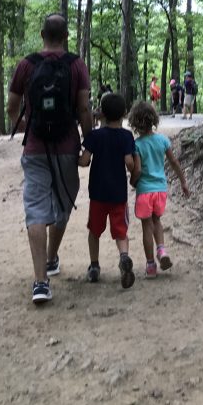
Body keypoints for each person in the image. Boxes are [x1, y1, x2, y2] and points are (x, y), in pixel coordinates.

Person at [7, 13, 92, 306]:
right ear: (66, 36)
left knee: (35, 210)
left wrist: (27, 129)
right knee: (63, 203)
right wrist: (87, 145)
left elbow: (12, 108)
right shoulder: (76, 65)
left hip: (35, 149)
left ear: (42, 34)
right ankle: (53, 256)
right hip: (67, 146)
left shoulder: (26, 65)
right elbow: (83, 109)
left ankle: (40, 282)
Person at [79, 92, 140, 289]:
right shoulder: (126, 136)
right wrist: (132, 170)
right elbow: (130, 163)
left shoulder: (95, 136)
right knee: (120, 231)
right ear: (124, 113)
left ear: (101, 113)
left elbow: (85, 160)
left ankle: (94, 266)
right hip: (118, 194)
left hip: (97, 193)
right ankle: (123, 257)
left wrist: (75, 158)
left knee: (94, 230)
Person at [128, 100, 190, 278]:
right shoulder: (163, 140)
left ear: (134, 122)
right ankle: (162, 251)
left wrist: (133, 181)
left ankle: (150, 266)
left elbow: (137, 169)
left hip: (145, 191)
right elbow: (174, 162)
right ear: (154, 119)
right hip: (160, 190)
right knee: (157, 221)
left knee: (147, 226)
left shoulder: (137, 144)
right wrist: (183, 182)